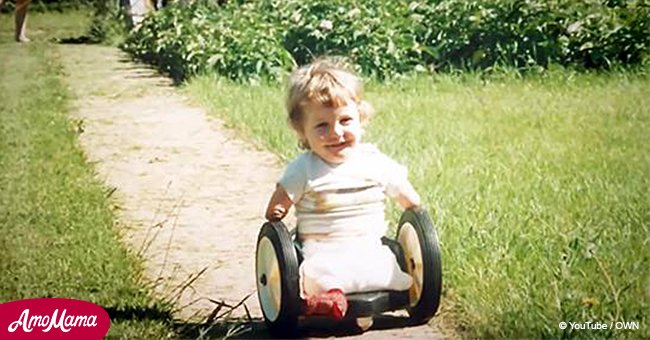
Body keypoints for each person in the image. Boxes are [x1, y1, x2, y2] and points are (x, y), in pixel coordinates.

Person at [265, 57, 421, 320]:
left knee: (385, 267)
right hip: (322, 247)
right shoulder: (304, 168)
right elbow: (278, 204)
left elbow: (404, 193)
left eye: (345, 121)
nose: (336, 133)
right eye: (321, 126)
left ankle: (400, 292)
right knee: (319, 273)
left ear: (361, 119)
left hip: (367, 244)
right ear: (302, 130)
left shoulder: (374, 161)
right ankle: (326, 301)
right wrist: (277, 212)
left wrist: (413, 206)